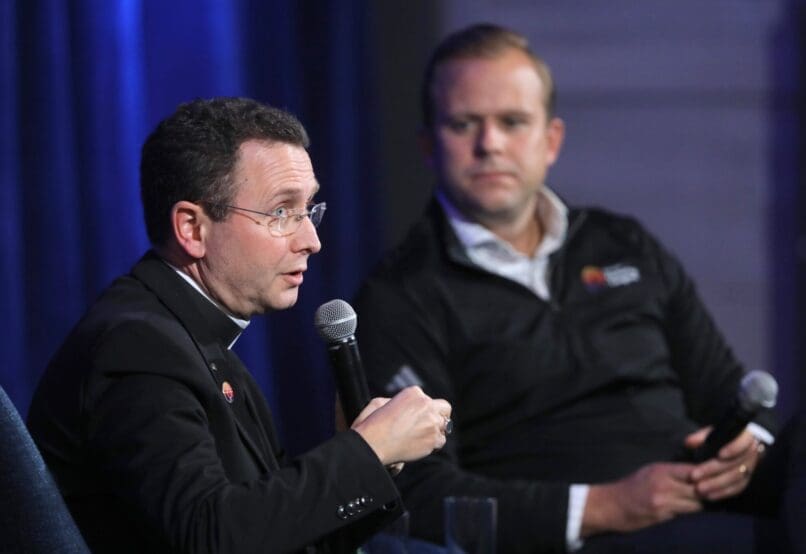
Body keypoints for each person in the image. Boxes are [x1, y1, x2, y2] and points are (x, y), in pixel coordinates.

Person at [353, 24, 804, 553]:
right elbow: (416, 491)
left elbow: (731, 394)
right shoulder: (398, 297)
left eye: (512, 122)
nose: (489, 143)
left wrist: (747, 449)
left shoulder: (625, 243)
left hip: (712, 506)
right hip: (577, 538)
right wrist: (606, 506)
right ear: (429, 146)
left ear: (551, 141)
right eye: (463, 124)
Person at [27, 97, 452, 554]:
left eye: (309, 209)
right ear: (192, 228)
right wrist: (366, 451)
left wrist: (370, 459)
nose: (311, 239)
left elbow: (279, 537)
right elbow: (211, 537)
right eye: (281, 212)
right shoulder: (136, 348)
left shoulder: (200, 339)